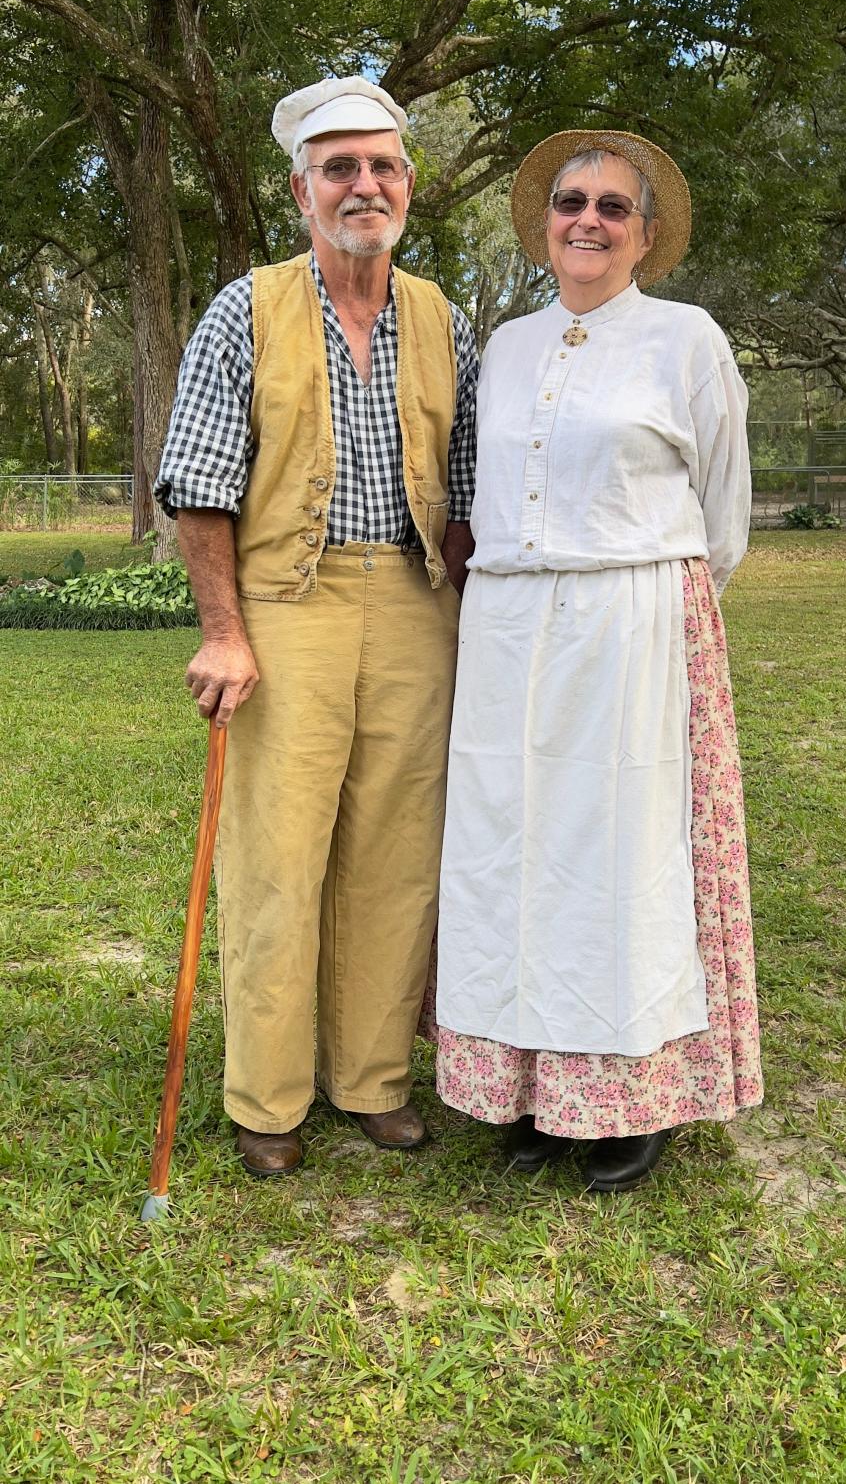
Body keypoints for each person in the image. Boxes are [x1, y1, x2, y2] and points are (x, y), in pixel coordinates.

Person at [156, 77, 478, 1176]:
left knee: (396, 853)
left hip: (413, 599)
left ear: (409, 184)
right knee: (279, 854)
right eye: (339, 168)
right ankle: (268, 1098)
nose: (364, 185)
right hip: (285, 603)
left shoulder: (442, 315)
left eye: (383, 165)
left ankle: (374, 1080)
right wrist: (224, 632)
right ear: (301, 190)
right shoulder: (244, 308)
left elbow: (469, 492)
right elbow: (200, 484)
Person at [435, 130, 762, 1193]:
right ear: (544, 225)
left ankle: (630, 1098)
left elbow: (723, 515)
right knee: (514, 854)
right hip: (508, 625)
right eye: (571, 201)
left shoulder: (686, 339)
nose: (588, 218)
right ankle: (531, 1088)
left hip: (629, 622)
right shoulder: (509, 343)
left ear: (645, 233)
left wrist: (651, 605)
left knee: (617, 857)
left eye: (613, 206)